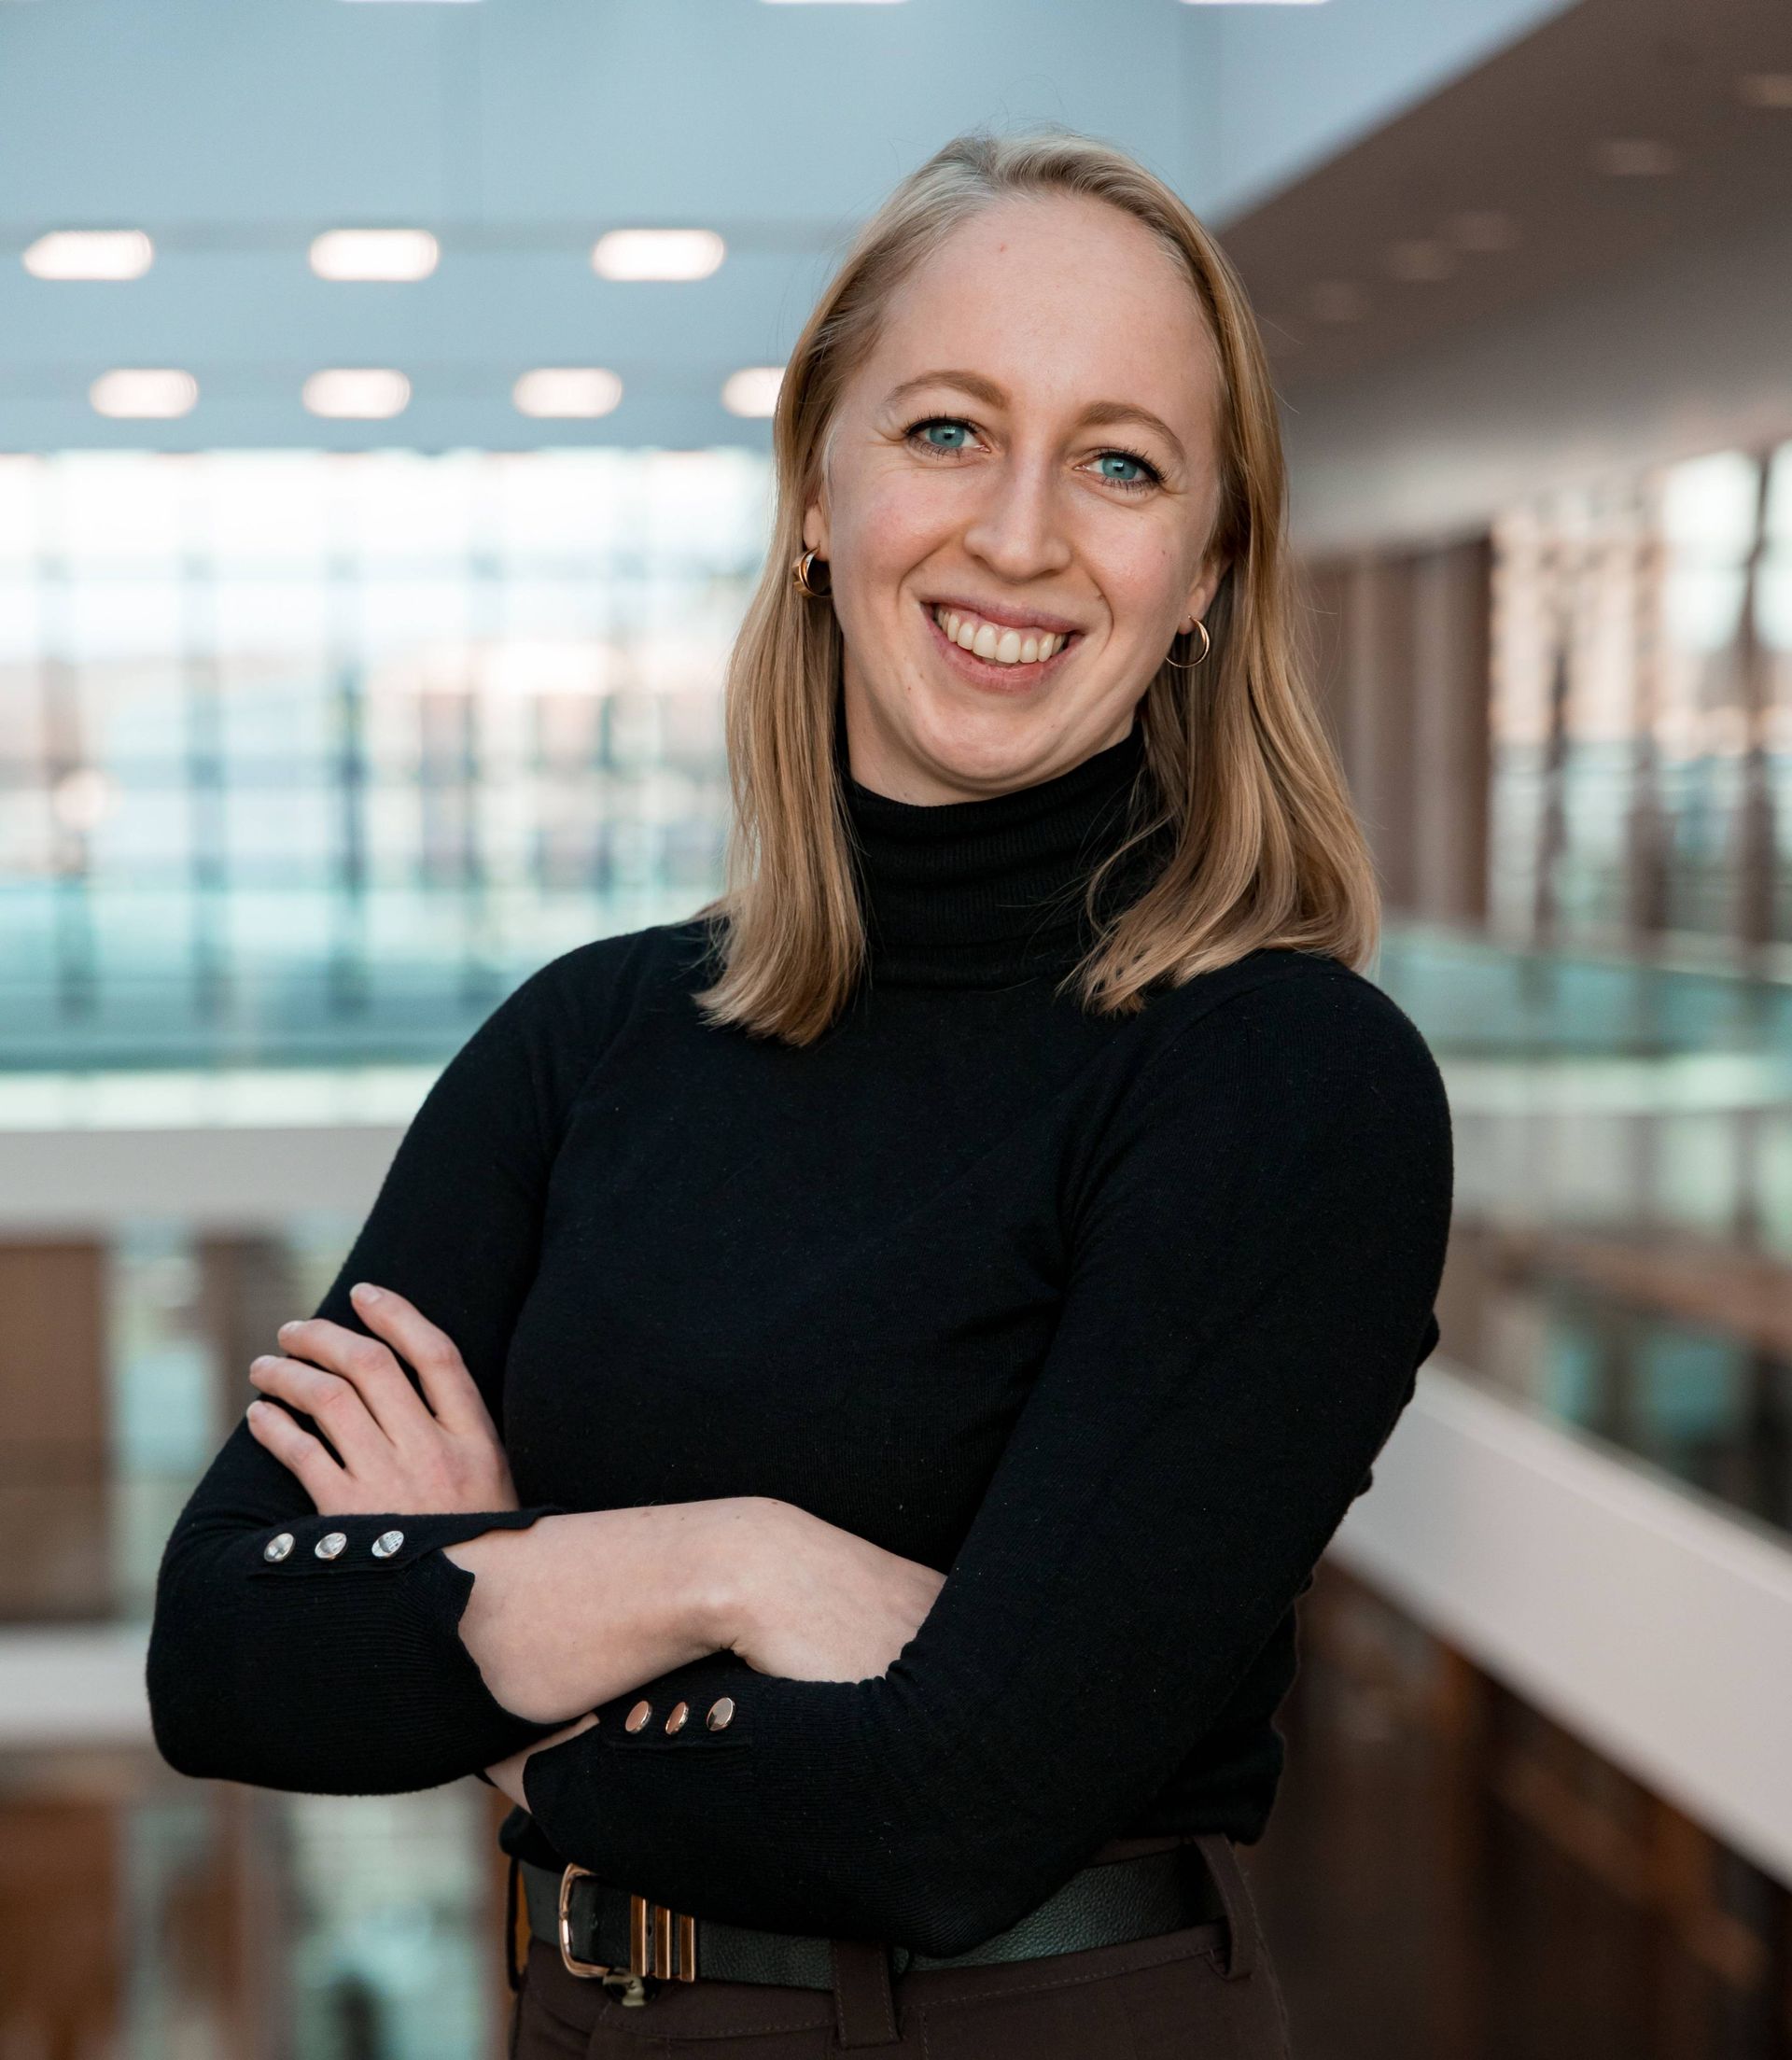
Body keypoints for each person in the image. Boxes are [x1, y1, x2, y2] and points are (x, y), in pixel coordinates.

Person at [147, 126, 1453, 2059]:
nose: (1019, 533)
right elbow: (227, 1650)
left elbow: (951, 1809)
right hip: (590, 2018)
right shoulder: (588, 1043)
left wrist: (485, 1622)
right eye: (947, 430)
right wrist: (723, 1566)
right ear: (820, 490)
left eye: (1119, 462)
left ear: (1203, 577)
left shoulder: (1285, 1087)